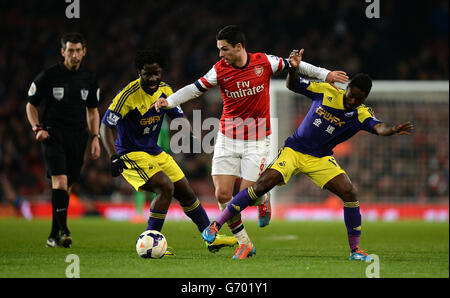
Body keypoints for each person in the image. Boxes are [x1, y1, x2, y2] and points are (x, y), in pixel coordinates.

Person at [155, 25, 349, 259]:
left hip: (257, 139)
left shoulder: (264, 62)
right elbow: (194, 89)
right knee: (223, 195)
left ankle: (262, 197)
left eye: (224, 49)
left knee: (247, 194)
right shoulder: (219, 70)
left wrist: (325, 74)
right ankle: (244, 243)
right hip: (227, 138)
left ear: (239, 47)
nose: (220, 54)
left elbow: (295, 64)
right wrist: (170, 100)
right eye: (218, 49)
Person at [201, 48, 414, 261]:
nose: (352, 101)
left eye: (358, 99)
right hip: (294, 150)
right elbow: (292, 85)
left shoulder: (361, 114)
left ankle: (355, 251)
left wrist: (392, 129)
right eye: (351, 95)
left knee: (349, 193)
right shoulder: (326, 91)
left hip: (320, 158)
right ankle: (216, 224)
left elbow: (379, 128)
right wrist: (293, 69)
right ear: (347, 88)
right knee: (260, 186)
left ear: (364, 98)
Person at [99, 50, 237, 255]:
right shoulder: (127, 96)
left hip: (155, 152)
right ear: (139, 72)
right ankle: (151, 242)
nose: (153, 78)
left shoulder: (165, 90)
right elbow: (105, 126)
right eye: (148, 74)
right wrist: (113, 157)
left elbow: (178, 116)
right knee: (165, 186)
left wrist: (189, 136)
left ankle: (210, 237)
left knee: (186, 192)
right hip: (131, 153)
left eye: (157, 73)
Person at [25, 32, 101, 248]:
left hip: (78, 137)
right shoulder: (49, 76)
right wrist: (36, 128)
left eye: (78, 51)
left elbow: (93, 112)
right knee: (60, 182)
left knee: (66, 189)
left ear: (84, 52)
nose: (74, 55)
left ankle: (53, 235)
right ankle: (65, 231)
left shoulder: (89, 78)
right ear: (62, 52)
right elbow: (30, 104)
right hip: (53, 135)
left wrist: (95, 138)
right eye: (70, 51)